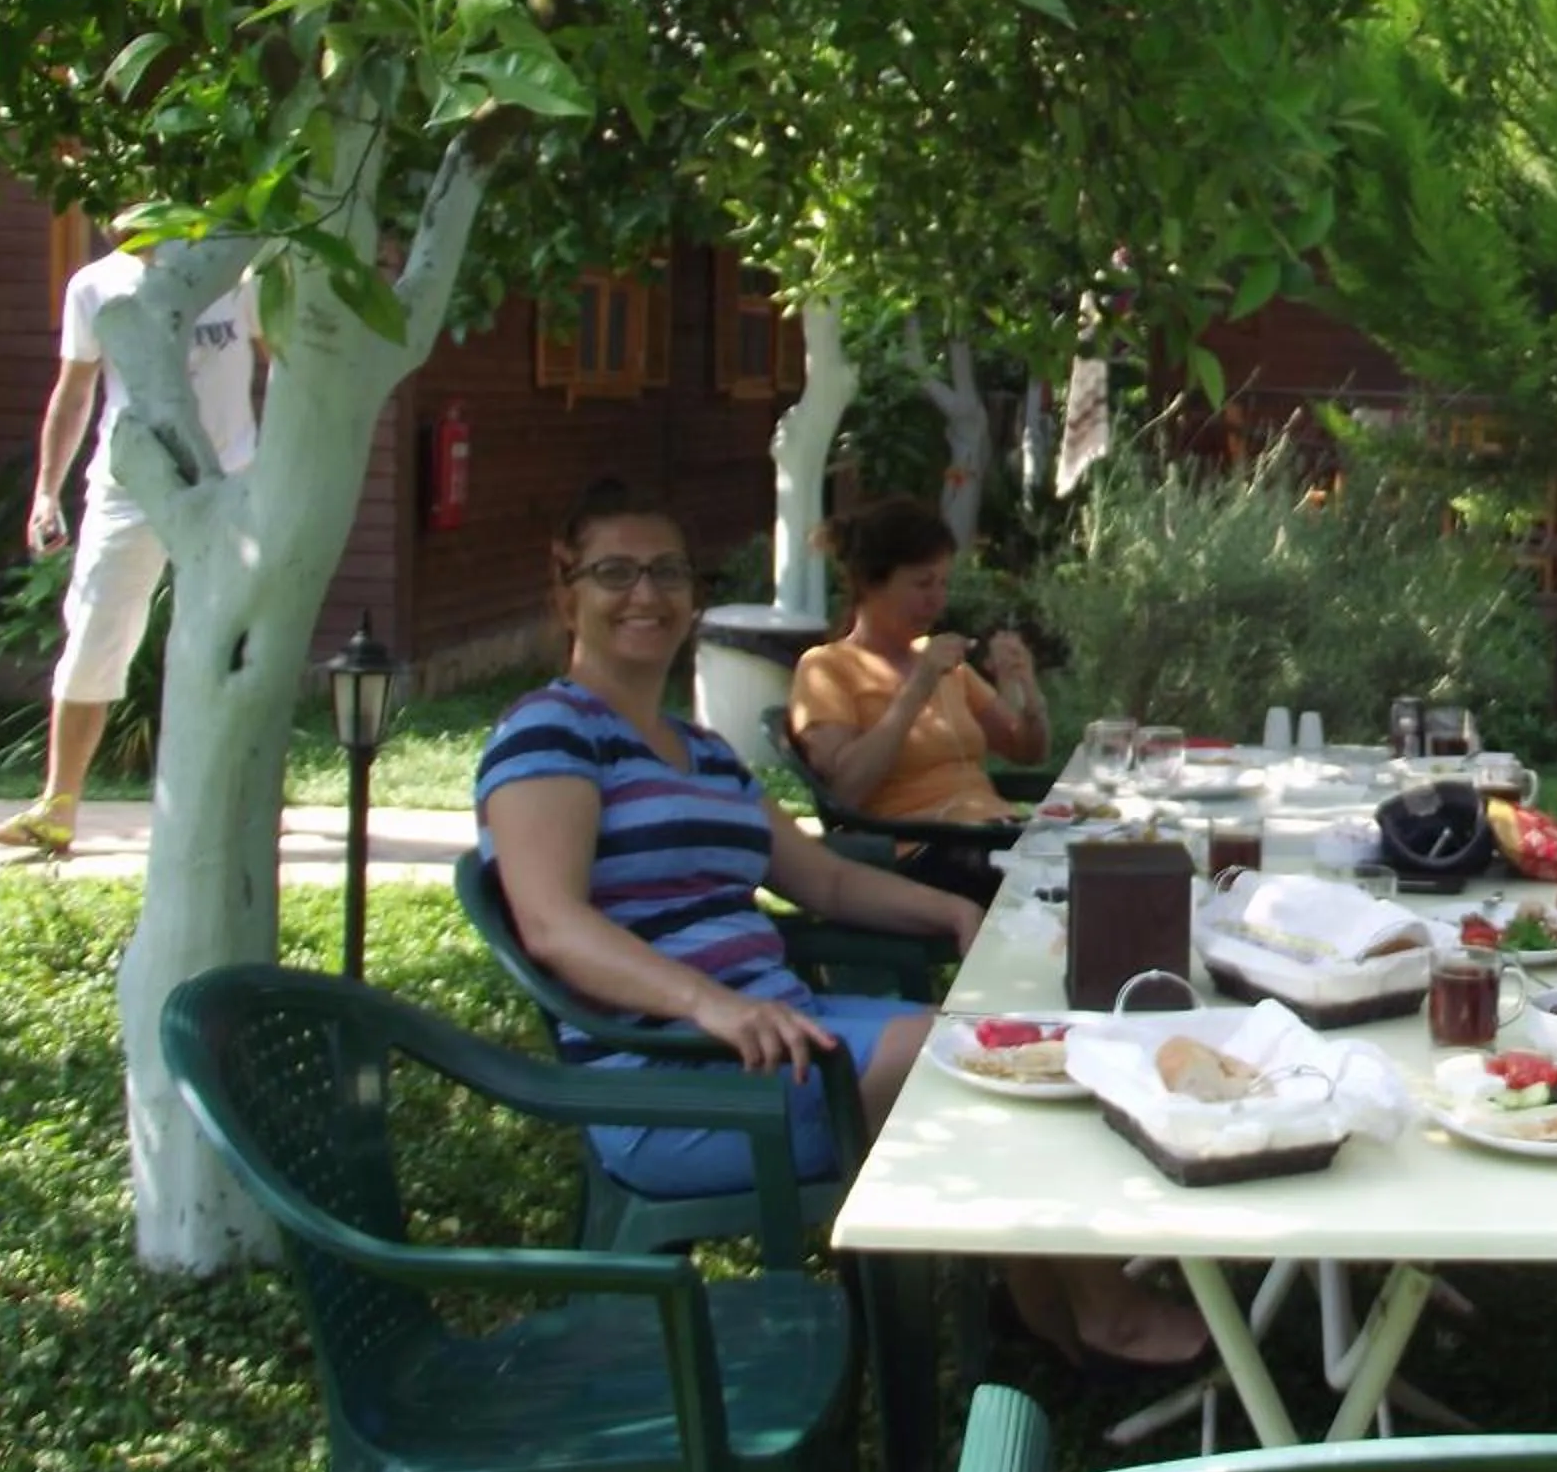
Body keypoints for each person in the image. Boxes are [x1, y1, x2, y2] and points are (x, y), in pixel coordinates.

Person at [477, 482, 1203, 1372]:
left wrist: (951, 909)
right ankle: (1092, 1311)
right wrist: (709, 1005)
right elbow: (551, 924)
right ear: (566, 592)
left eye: (668, 571)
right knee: (972, 1065)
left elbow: (820, 875)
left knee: (1026, 1047)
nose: (648, 594)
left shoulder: (700, 751)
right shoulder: (548, 732)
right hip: (679, 1075)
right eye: (615, 572)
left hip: (782, 1033)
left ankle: (1049, 1315)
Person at [0, 238, 258, 857]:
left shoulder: (238, 276)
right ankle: (58, 808)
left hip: (227, 479)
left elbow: (286, 360)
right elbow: (74, 393)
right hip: (130, 480)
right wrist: (46, 493)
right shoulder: (95, 284)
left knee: (232, 640)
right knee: (95, 634)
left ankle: (244, 799)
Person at [788, 498, 1048, 831]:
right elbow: (844, 790)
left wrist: (1025, 686)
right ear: (870, 583)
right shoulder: (826, 668)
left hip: (992, 833)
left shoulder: (941, 662)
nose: (937, 600)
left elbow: (1025, 750)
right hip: (923, 849)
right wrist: (918, 687)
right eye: (923, 584)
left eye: (943, 583)